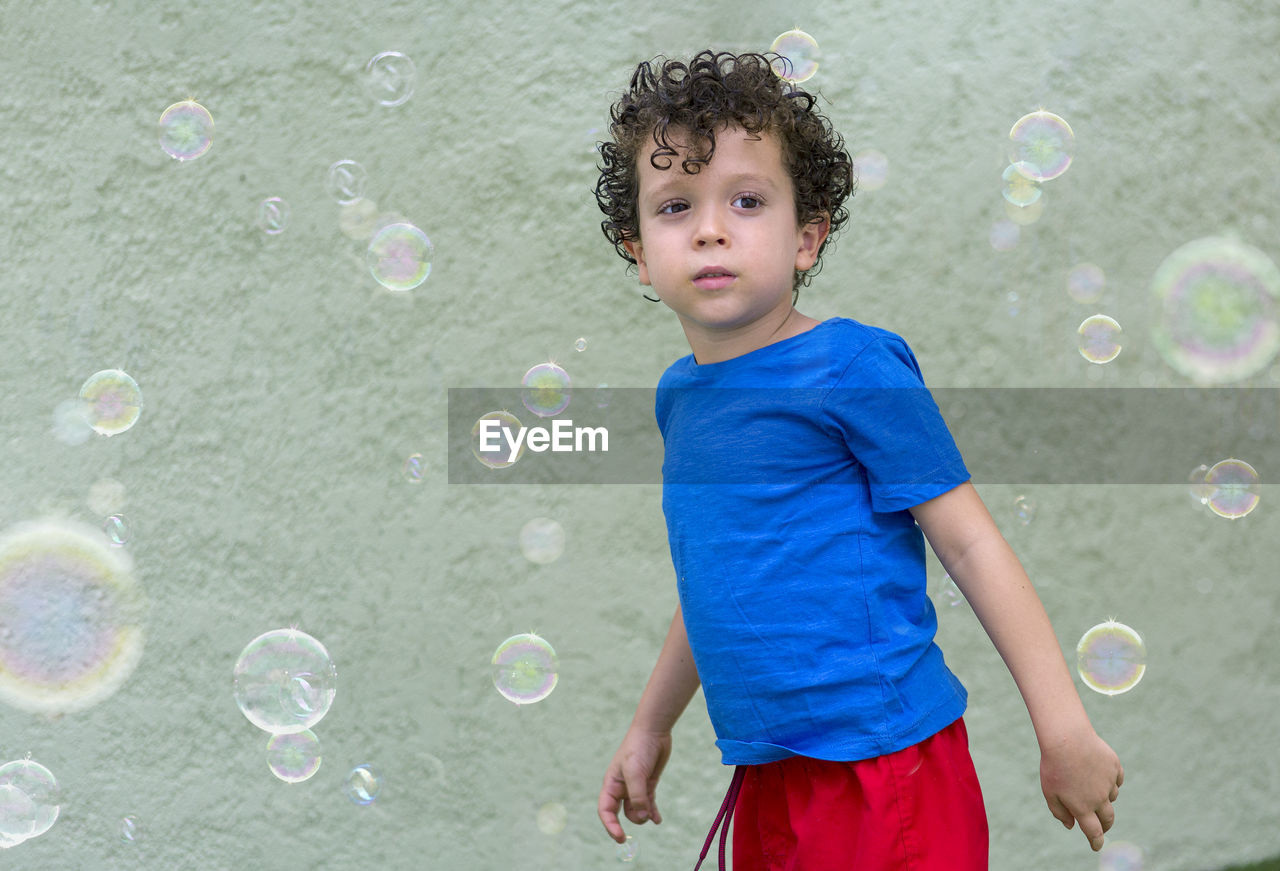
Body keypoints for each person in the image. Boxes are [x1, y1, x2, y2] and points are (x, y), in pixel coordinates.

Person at [593, 50, 1124, 870]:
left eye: (746, 199)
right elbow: (717, 576)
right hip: (770, 771)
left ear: (807, 238)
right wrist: (650, 724)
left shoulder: (854, 367)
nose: (709, 226)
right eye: (674, 206)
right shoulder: (682, 398)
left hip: (886, 769)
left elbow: (972, 544)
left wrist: (1062, 728)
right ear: (637, 249)